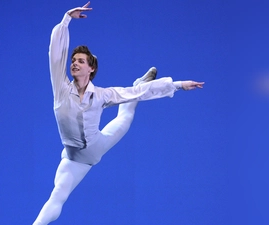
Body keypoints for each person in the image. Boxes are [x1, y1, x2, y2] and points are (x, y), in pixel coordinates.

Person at [32, 2, 204, 224]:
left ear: (91, 68)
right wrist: (66, 20)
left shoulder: (102, 95)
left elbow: (136, 93)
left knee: (126, 114)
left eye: (80, 61)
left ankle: (140, 78)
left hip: (98, 144)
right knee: (57, 197)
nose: (74, 64)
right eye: (73, 61)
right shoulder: (61, 89)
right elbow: (55, 54)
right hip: (75, 160)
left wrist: (178, 85)